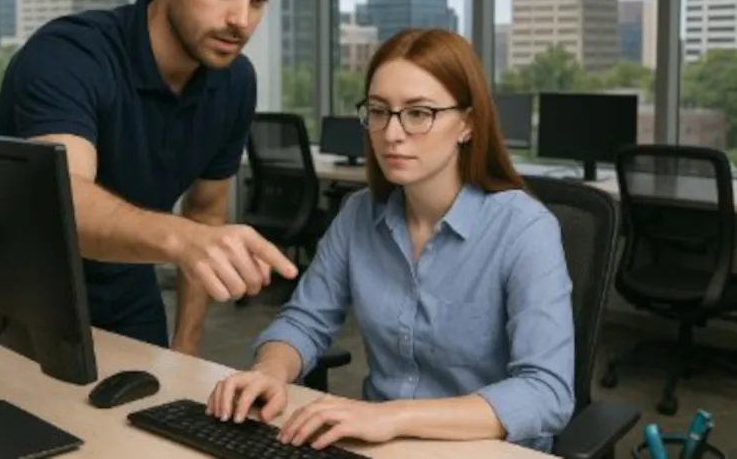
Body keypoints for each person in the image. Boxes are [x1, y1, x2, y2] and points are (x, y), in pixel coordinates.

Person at [206, 28, 576, 452]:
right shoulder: (358, 214)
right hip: (379, 444)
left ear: (467, 125)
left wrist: (390, 416)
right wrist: (270, 370)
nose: (391, 133)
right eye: (379, 111)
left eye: (419, 113)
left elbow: (546, 392)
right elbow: (304, 319)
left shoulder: (523, 229)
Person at [0, 0, 298, 356]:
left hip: (128, 287)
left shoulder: (235, 82)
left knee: (150, 421)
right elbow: (64, 202)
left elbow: (205, 212)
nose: (241, 20)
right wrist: (183, 239)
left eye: (259, 0)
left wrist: (187, 347)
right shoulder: (69, 55)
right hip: (17, 292)